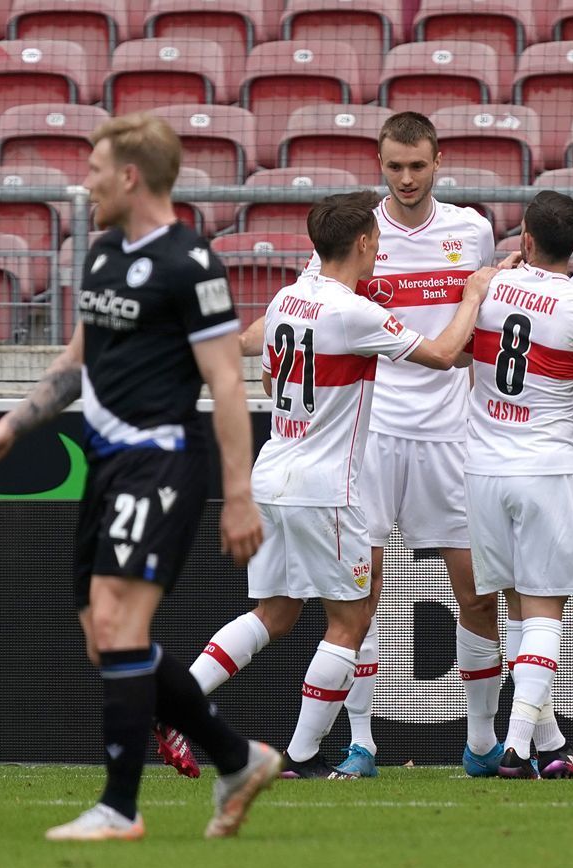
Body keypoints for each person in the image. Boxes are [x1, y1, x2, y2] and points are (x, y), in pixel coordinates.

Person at [0, 113, 277, 843]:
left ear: (130, 175)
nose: (87, 182)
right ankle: (237, 758)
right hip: (104, 466)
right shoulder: (102, 253)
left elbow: (227, 384)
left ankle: (120, 808)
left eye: (95, 168)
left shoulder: (191, 263)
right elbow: (77, 361)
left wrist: (239, 495)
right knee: (107, 642)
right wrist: (11, 426)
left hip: (162, 460)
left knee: (118, 625)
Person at [211, 111, 522, 780]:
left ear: (439, 162)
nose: (406, 178)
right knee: (359, 595)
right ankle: (359, 743)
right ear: (379, 165)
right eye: (394, 167)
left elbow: (481, 331)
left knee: (476, 591)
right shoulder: (353, 236)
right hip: (368, 437)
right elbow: (294, 317)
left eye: (418, 166)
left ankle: (480, 740)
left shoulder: (471, 230)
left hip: (448, 432)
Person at [460, 191, 573, 778]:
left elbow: (461, 355)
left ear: (525, 239)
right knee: (545, 613)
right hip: (545, 469)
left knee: (516, 608)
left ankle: (545, 742)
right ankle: (514, 749)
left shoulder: (487, 290)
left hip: (482, 470)